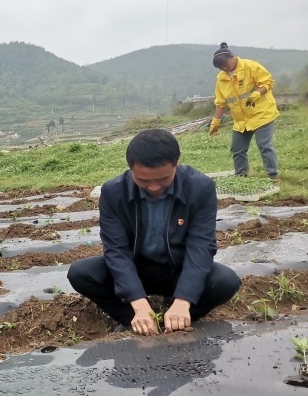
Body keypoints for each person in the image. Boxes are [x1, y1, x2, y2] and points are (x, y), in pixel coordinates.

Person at [67, 129, 240, 335]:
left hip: (177, 271)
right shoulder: (114, 192)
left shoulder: (200, 188)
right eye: (143, 180)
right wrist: (139, 305)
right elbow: (116, 250)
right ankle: (133, 320)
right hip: (136, 270)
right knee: (81, 273)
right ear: (131, 169)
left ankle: (179, 318)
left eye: (163, 179)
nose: (154, 187)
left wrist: (184, 299)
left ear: (176, 164)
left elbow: (201, 245)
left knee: (226, 281)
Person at [209, 42, 280, 181]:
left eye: (225, 65)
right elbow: (221, 102)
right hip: (241, 120)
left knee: (264, 145)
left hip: (262, 114)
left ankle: (273, 176)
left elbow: (268, 82)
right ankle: (241, 178)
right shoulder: (221, 78)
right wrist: (215, 122)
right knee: (237, 149)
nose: (224, 68)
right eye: (220, 67)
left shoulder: (250, 66)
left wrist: (258, 94)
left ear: (231, 58)